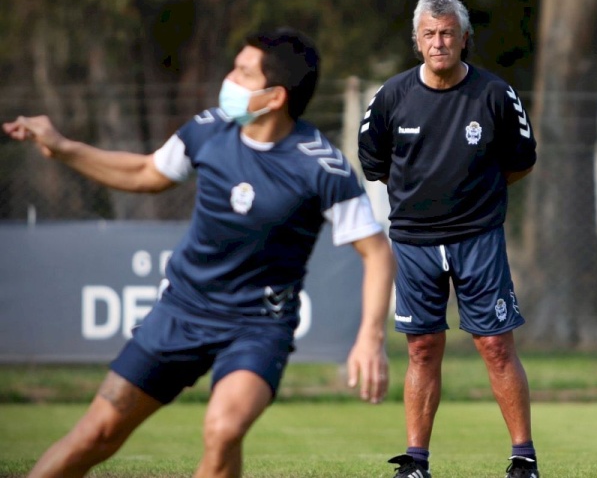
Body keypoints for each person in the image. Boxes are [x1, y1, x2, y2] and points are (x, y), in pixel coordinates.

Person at [3, 27, 395, 478]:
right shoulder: (208, 130)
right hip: (181, 311)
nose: (229, 79)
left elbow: (376, 253)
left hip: (257, 326)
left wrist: (370, 338)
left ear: (275, 97)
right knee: (97, 433)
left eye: (243, 73)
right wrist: (64, 147)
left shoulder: (321, 166)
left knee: (223, 430)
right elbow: (145, 173)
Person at [357, 0, 539, 478]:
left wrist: (476, 196)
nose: (439, 43)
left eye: (447, 34)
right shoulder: (391, 96)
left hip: (478, 238)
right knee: (422, 349)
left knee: (496, 345)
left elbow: (521, 161)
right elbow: (374, 163)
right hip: (413, 242)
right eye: (429, 35)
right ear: (417, 42)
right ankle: (416, 462)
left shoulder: (495, 94)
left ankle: (524, 458)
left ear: (464, 39)